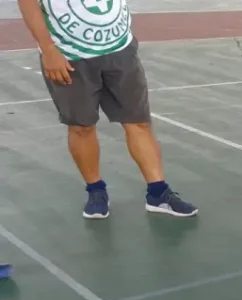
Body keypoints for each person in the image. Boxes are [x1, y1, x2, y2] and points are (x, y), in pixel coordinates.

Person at [16, 0, 198, 219]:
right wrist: (48, 50)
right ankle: (96, 191)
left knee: (138, 121)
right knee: (81, 126)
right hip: (69, 55)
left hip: (119, 48)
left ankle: (158, 193)